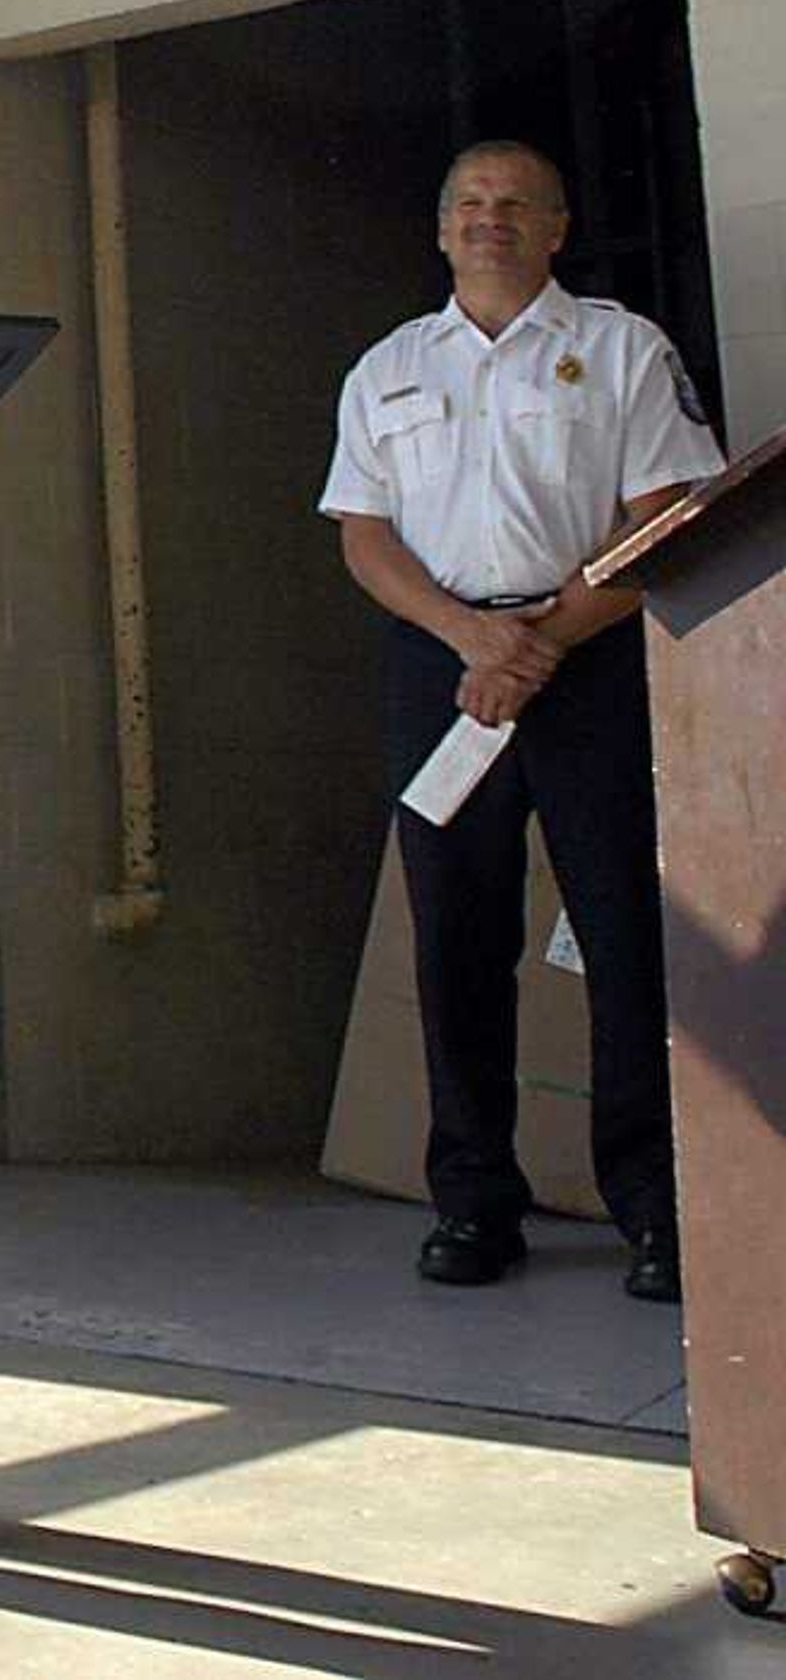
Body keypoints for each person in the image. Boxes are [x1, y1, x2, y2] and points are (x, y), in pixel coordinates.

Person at [317, 140, 718, 1303]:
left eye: (516, 206)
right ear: (442, 231)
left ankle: (658, 1209)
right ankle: (473, 1202)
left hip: (589, 665)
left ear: (557, 227)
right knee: (456, 938)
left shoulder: (620, 349)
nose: (490, 222)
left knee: (628, 935)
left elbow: (667, 521)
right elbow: (364, 535)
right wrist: (472, 639)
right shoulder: (387, 368)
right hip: (442, 666)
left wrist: (539, 643)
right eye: (470, 206)